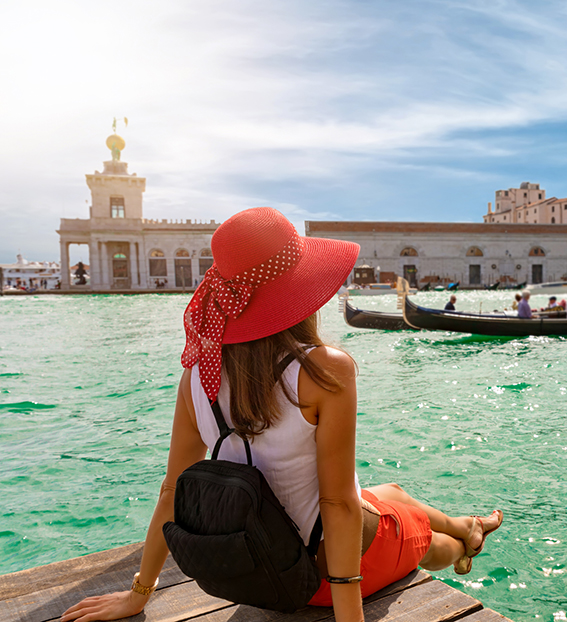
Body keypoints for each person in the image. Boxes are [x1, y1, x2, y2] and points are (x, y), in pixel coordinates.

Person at [61, 208, 502, 622]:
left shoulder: (196, 375)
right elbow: (338, 505)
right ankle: (463, 543)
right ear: (299, 291)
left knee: (392, 492)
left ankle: (468, 524)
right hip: (318, 578)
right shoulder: (324, 369)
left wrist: (138, 594)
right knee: (424, 535)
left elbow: (171, 490)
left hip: (257, 569)